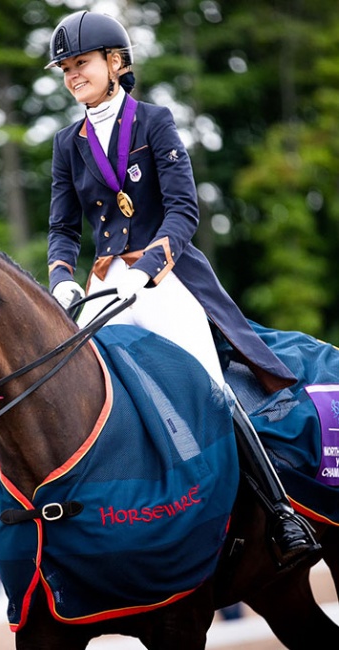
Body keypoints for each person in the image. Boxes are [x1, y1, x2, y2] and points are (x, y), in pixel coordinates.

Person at [45, 10, 319, 567]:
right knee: (78, 396)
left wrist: (146, 267)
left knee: (212, 387)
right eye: (66, 69)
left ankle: (282, 510)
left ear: (115, 63)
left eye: (83, 64)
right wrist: (60, 281)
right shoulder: (66, 143)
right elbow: (60, 227)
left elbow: (183, 209)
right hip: (102, 289)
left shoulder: (154, 121)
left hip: (164, 277)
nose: (74, 75)